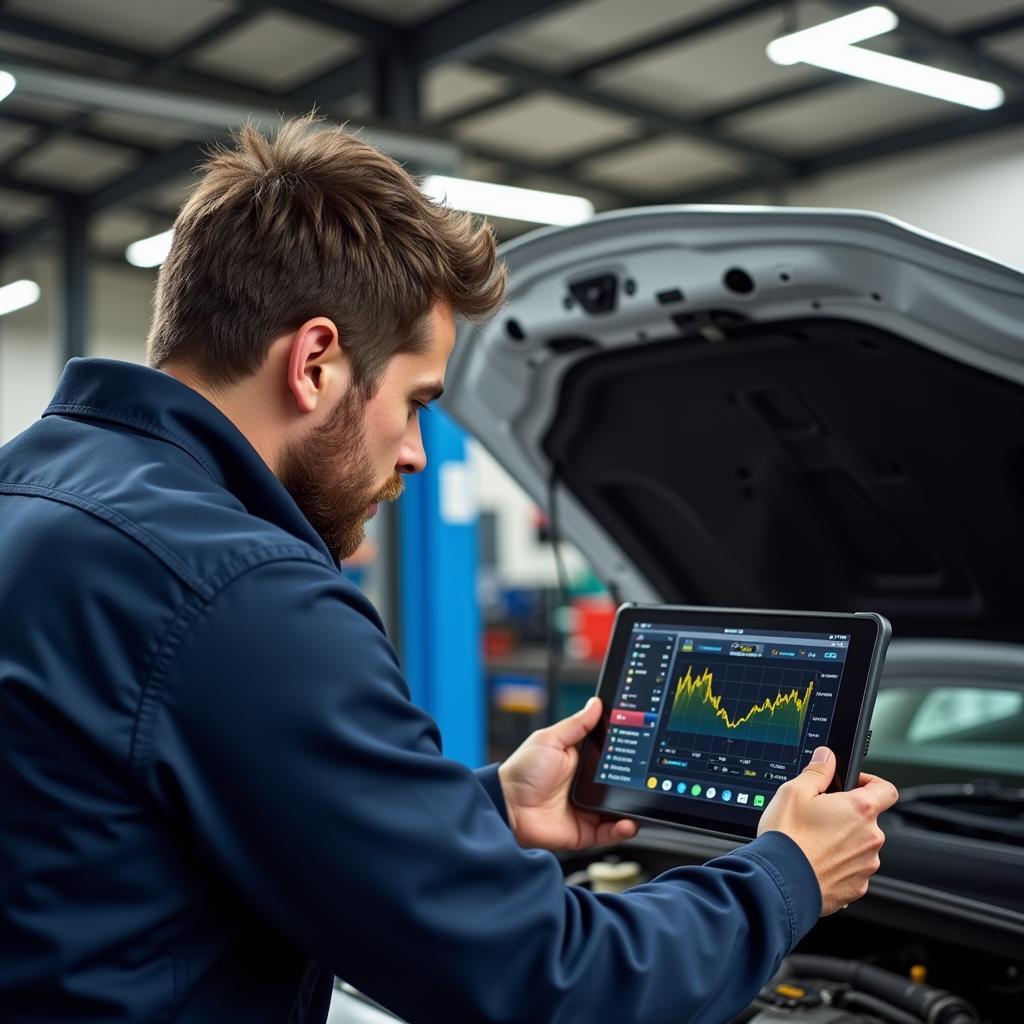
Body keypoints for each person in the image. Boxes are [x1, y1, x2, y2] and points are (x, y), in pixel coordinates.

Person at [0, 117, 898, 1024]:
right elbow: (547, 983)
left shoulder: (33, 494)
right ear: (315, 362)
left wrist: (485, 807)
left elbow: (158, 803)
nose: (418, 454)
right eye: (418, 401)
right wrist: (786, 877)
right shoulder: (241, 592)